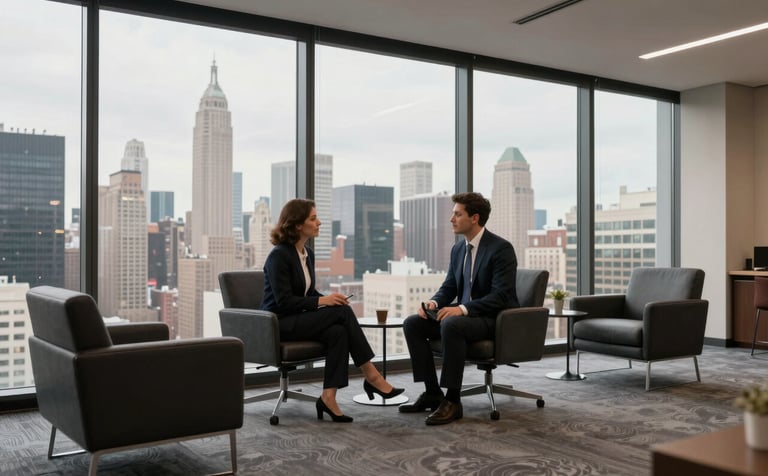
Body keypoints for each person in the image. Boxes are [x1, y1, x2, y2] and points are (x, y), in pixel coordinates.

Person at [261, 198, 404, 423]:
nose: (319, 222)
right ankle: (371, 375)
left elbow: (306, 294)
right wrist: (323, 301)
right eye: (313, 218)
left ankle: (329, 396)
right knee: (343, 314)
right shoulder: (279, 255)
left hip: (299, 319)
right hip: (280, 323)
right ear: (297, 224)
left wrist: (329, 299)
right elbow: (284, 301)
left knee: (338, 331)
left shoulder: (306, 254)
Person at [399, 192, 518, 425]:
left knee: (452, 323)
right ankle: (433, 392)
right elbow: (450, 286)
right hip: (467, 318)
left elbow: (501, 296)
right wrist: (434, 303)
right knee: (413, 323)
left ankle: (453, 400)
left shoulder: (500, 248)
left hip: (493, 318)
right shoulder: (458, 249)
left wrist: (461, 309)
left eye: (457, 214)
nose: (451, 219)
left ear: (474, 218)